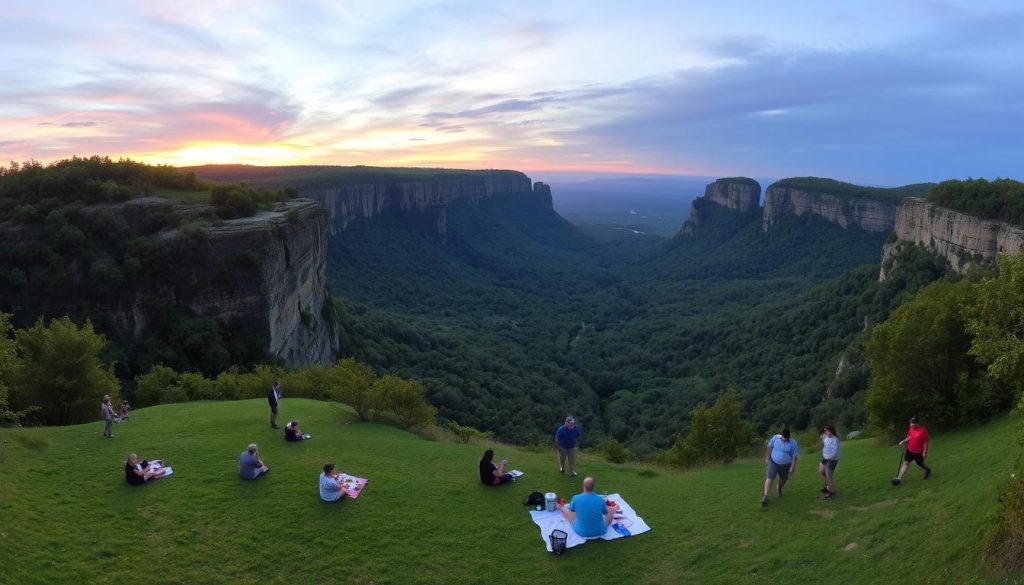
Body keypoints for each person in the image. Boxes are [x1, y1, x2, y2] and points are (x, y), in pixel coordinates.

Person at [762, 427, 799, 505]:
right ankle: (765, 496)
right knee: (770, 477)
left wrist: (792, 467)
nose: (784, 439)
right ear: (781, 435)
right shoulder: (775, 438)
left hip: (785, 465)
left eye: (786, 438)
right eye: (783, 437)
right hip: (773, 462)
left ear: (789, 436)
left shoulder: (793, 443)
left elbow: (794, 456)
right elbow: (769, 447)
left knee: (783, 480)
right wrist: (767, 458)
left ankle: (779, 488)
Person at [892, 416, 931, 485]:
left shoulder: (923, 431)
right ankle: (899, 478)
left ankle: (927, 470)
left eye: (912, 424)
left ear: (917, 424)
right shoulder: (911, 428)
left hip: (918, 452)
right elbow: (909, 437)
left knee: (919, 464)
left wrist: (924, 453)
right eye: (910, 423)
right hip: (909, 450)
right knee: (905, 463)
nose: (911, 425)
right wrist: (903, 441)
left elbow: (925, 443)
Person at [818, 425, 840, 498]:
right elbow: (822, 439)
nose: (825, 432)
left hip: (832, 460)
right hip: (825, 457)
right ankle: (828, 485)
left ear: (830, 431)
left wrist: (830, 458)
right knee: (821, 470)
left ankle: (831, 491)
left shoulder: (835, 440)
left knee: (828, 475)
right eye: (825, 431)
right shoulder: (826, 437)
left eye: (826, 431)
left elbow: (835, 452)